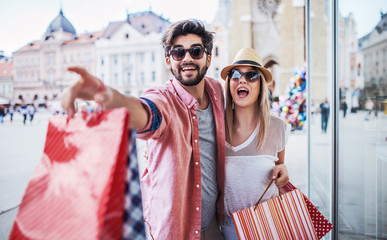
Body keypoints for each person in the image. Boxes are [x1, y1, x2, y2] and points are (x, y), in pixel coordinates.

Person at [61, 19, 226, 240]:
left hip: (215, 224)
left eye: (196, 51)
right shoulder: (164, 99)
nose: (187, 58)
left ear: (208, 57)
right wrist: (106, 94)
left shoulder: (216, 91)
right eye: (178, 53)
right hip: (177, 230)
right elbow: (145, 113)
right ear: (168, 61)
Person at [219, 48, 290, 239]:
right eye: (235, 74)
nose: (242, 80)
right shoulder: (215, 128)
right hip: (227, 228)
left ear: (261, 85)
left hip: (267, 225)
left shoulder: (278, 128)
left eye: (251, 75)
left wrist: (283, 170)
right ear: (229, 84)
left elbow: (279, 168)